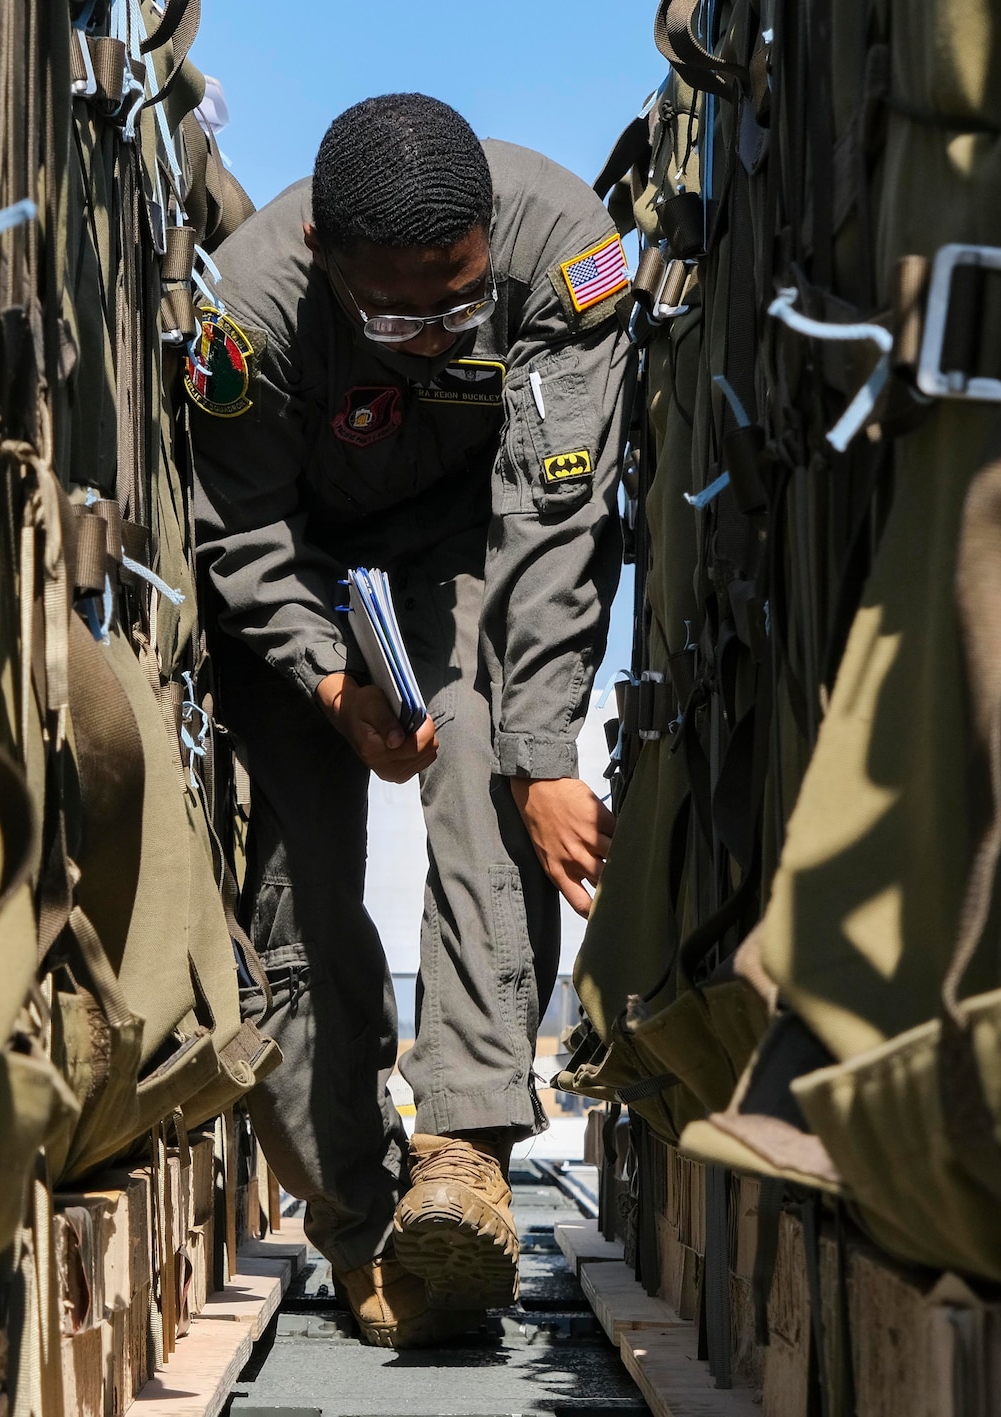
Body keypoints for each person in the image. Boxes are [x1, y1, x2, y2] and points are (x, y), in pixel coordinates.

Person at [188, 93, 628, 1347]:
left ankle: (463, 1153)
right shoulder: (247, 312)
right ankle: (359, 1222)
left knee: (482, 758)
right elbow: (243, 536)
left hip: (464, 541)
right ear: (324, 254)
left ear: (489, 238)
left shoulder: (564, 251)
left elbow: (551, 526)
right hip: (301, 572)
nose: (432, 339)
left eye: (459, 304)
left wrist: (548, 756)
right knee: (296, 884)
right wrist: (329, 683)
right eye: (394, 316)